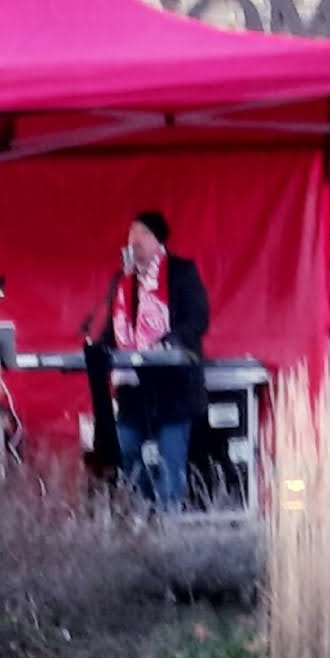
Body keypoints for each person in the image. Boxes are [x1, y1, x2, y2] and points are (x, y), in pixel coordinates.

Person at [98, 210, 209, 513]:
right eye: (131, 233)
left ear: (158, 240)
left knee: (170, 464)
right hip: (133, 390)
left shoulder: (181, 272)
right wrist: (97, 348)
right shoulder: (123, 281)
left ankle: (169, 523)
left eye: (143, 233)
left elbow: (197, 320)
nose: (134, 239)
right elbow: (112, 331)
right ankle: (143, 517)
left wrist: (167, 343)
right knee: (127, 453)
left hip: (173, 390)